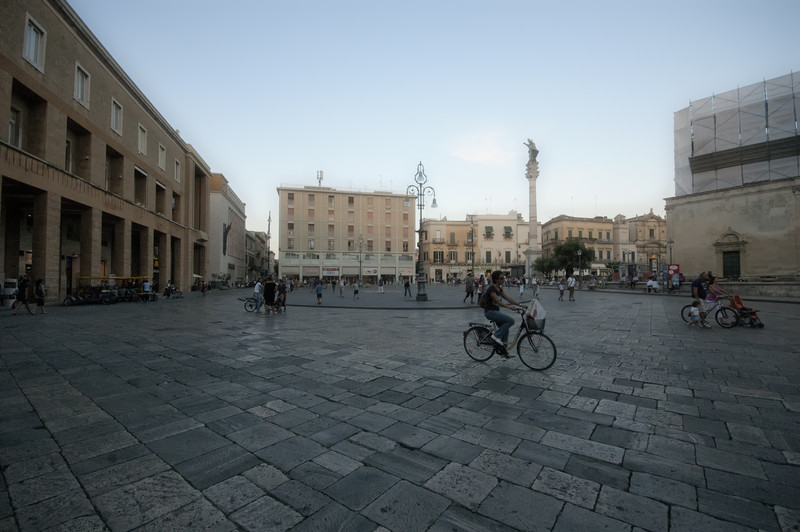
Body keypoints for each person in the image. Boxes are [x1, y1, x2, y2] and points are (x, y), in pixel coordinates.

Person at [483, 270, 523, 358]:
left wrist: (520, 305)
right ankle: (496, 336)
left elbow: (508, 298)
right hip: (490, 312)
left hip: (496, 312)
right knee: (511, 321)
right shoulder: (491, 289)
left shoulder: (499, 289)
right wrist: (510, 307)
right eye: (501, 278)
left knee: (505, 329)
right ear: (496, 280)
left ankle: (503, 352)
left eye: (503, 278)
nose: (503, 280)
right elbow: (498, 301)